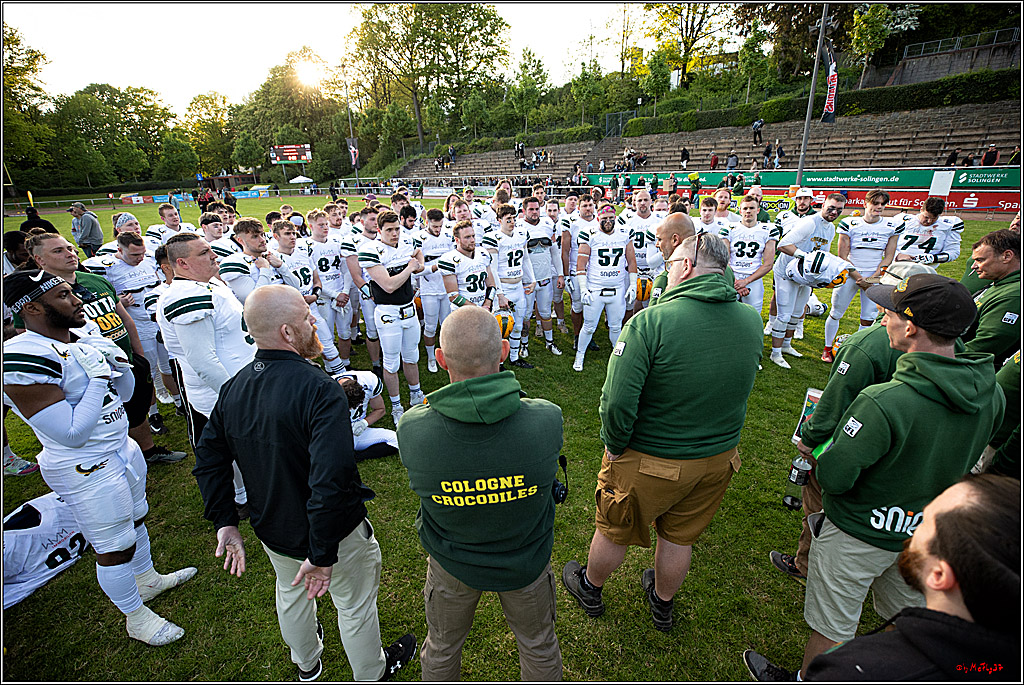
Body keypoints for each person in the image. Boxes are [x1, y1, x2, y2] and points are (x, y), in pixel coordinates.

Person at [749, 274, 1006, 680]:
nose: (882, 318)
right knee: (903, 618)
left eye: (889, 312)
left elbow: (835, 477)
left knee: (832, 626)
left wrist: (827, 453)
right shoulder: (993, 393)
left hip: (859, 531)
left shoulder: (884, 401)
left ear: (911, 327)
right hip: (925, 533)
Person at [193, 285, 416, 682]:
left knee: (292, 593)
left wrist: (225, 521)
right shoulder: (319, 388)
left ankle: (306, 664)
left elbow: (209, 457)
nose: (314, 322)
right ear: (287, 332)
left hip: (273, 526)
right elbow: (331, 479)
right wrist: (322, 550)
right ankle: (373, 672)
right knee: (354, 605)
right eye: (306, 317)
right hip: (332, 533)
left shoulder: (235, 387)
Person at [563, 233, 761, 631]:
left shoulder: (649, 323)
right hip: (717, 458)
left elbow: (617, 402)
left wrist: (616, 447)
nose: (667, 272)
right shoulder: (751, 319)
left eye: (671, 264)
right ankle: (662, 602)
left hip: (653, 457)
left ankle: (591, 585)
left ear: (685, 267)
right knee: (679, 536)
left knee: (614, 529)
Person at [3, 269, 196, 646]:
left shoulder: (78, 340)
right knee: (113, 545)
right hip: (84, 465)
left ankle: (148, 580)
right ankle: (135, 617)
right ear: (33, 307)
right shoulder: (20, 356)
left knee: (136, 519)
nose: (77, 300)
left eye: (72, 292)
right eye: (62, 296)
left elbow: (122, 395)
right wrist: (95, 380)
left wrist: (119, 367)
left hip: (118, 448)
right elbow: (70, 433)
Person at [398, 305, 563, 681]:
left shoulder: (413, 429)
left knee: (442, 646)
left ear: (440, 360)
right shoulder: (546, 418)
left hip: (452, 563)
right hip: (526, 562)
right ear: (504, 351)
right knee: (538, 644)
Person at [750, 474, 1020, 681]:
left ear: (939, 575)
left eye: (924, 523)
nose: (909, 530)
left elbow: (835, 474)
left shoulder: (852, 670)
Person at [770, 262, 940, 581]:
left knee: (820, 501)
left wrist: (809, 440)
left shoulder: (868, 344)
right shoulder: (947, 343)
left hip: (856, 442)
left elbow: (835, 403)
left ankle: (806, 564)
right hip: (913, 455)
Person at [21, 233, 184, 465]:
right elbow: (28, 335)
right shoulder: (36, 294)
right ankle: (106, 461)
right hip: (83, 372)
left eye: (69, 247)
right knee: (100, 418)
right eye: (58, 251)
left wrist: (138, 355)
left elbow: (124, 319)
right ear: (39, 260)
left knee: (136, 407)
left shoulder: (94, 280)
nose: (70, 253)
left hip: (125, 358)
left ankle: (147, 450)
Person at [155, 234, 252, 517]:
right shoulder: (186, 294)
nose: (213, 255)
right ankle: (244, 496)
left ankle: (246, 492)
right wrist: (236, 397)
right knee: (238, 442)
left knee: (241, 442)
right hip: (220, 387)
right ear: (182, 262)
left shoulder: (206, 284)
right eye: (204, 253)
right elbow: (203, 360)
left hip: (238, 378)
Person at [769, 193, 854, 369]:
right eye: (831, 208)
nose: (834, 212)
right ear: (822, 205)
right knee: (784, 314)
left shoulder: (830, 228)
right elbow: (783, 244)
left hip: (805, 275)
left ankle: (786, 345)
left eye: (839, 210)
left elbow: (823, 253)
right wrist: (806, 257)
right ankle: (774, 353)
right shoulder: (810, 222)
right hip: (787, 271)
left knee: (797, 311)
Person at [359, 210, 425, 423]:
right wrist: (410, 269)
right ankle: (396, 405)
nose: (395, 233)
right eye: (389, 230)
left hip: (408, 308)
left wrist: (419, 265)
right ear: (379, 230)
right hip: (388, 311)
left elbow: (417, 252)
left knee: (411, 355)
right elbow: (388, 285)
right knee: (390, 362)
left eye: (397, 228)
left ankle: (416, 394)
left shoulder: (406, 240)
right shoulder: (371, 250)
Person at [822, 188, 902, 362]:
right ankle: (827, 348)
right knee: (836, 312)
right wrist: (859, 277)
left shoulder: (891, 226)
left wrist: (872, 278)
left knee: (869, 317)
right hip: (850, 273)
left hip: (875, 276)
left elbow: (889, 256)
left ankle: (856, 352)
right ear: (866, 203)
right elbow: (842, 255)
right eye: (875, 203)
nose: (879, 207)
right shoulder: (850, 223)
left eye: (882, 204)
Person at [572, 202, 637, 372]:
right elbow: (581, 265)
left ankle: (617, 357)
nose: (608, 221)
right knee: (589, 326)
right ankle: (580, 354)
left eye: (611, 218)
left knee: (616, 326)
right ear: (598, 218)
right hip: (596, 288)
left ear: (615, 218)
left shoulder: (624, 233)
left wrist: (632, 285)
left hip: (617, 288)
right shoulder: (589, 234)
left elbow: (631, 261)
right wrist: (584, 288)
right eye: (604, 218)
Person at [482, 202, 536, 368]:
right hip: (503, 286)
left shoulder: (521, 234)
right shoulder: (493, 238)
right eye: (508, 219)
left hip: (518, 286)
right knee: (500, 327)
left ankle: (514, 357)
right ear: (499, 220)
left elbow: (526, 258)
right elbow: (493, 269)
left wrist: (532, 279)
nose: (512, 222)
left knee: (518, 324)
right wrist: (499, 294)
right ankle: (498, 361)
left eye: (513, 218)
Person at [962, 229, 1020, 368]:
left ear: (1006, 256)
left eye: (980, 260)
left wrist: (936, 356)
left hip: (972, 371)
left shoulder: (1013, 296)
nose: (974, 266)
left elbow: (984, 347)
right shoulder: (1001, 283)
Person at [720, 195, 779, 323]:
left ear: (758, 210)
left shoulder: (768, 230)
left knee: (753, 318)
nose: (748, 211)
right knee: (726, 316)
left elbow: (768, 264)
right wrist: (736, 282)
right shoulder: (729, 228)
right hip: (732, 277)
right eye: (745, 208)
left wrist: (746, 281)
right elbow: (724, 260)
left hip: (753, 279)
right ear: (740, 210)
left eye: (752, 208)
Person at [217, 218, 295, 305]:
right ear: (241, 241)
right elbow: (255, 300)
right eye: (255, 236)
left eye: (262, 234)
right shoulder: (235, 262)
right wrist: (265, 269)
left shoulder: (272, 255)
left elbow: (296, 287)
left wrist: (281, 266)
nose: (262, 240)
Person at [893, 196, 964, 267]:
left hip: (927, 269)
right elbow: (885, 243)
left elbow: (953, 251)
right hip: (899, 265)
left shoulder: (948, 225)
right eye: (926, 217)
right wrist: (898, 255)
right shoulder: (903, 220)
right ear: (921, 209)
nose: (929, 221)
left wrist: (934, 258)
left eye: (934, 218)